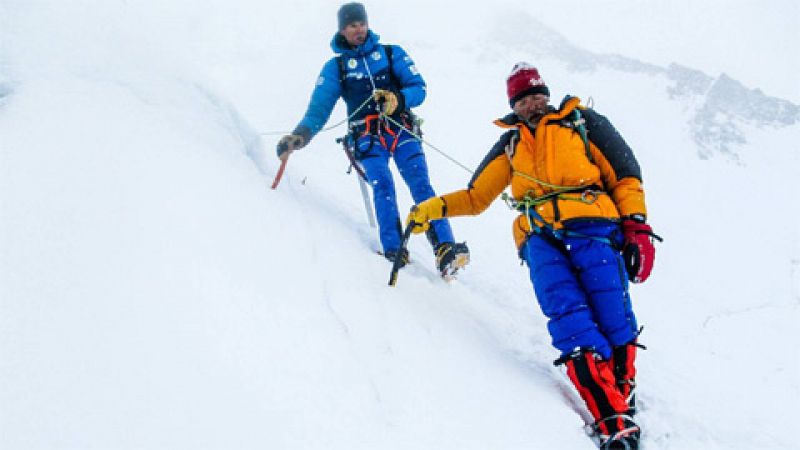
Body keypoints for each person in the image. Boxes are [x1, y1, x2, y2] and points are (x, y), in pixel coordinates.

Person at [405, 63, 661, 450]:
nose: (532, 103)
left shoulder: (582, 122)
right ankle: (612, 417)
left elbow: (625, 173)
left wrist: (637, 225)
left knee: (612, 317)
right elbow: (476, 197)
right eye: (523, 99)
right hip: (539, 239)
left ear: (547, 93)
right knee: (570, 322)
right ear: (514, 105)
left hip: (593, 226)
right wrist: (430, 208)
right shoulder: (510, 144)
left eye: (537, 94)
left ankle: (621, 400)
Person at [276, 3, 469, 277]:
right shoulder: (336, 68)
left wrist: (398, 100)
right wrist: (300, 136)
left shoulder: (391, 54)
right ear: (342, 30)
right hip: (366, 137)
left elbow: (419, 88)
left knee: (420, 184)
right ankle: (394, 249)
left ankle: (445, 249)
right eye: (352, 25)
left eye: (361, 24)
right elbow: (319, 109)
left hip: (401, 129)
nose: (359, 29)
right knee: (383, 185)